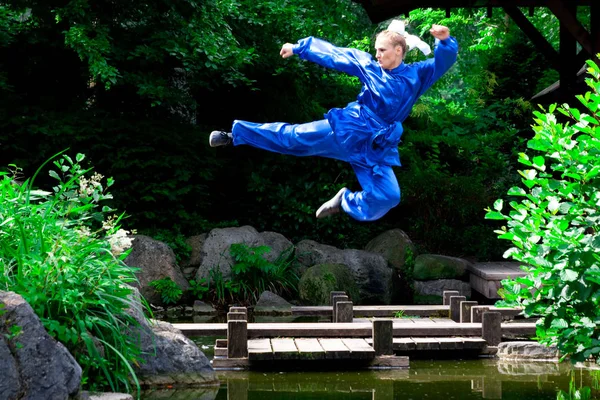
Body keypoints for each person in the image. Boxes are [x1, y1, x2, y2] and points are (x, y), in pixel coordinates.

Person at [209, 21, 458, 221]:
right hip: (350, 129)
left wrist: (445, 41)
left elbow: (442, 63)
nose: (377, 54)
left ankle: (345, 201)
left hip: (376, 147)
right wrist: (299, 48)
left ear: (398, 51)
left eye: (381, 50)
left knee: (389, 196)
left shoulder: (417, 75)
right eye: (376, 49)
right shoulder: (369, 67)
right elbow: (336, 55)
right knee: (293, 138)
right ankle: (234, 135)